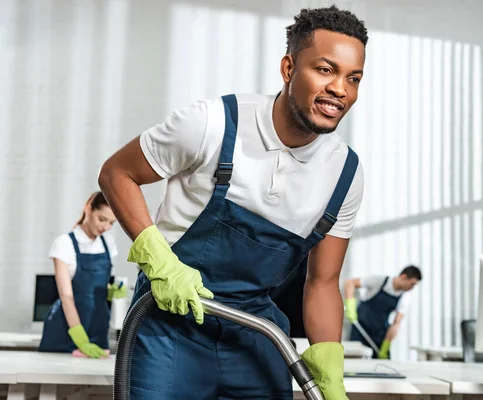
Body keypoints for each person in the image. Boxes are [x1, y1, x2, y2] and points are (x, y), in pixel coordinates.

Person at [97, 5, 367, 399]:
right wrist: (159, 262)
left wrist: (329, 366)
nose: (340, 89)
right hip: (170, 324)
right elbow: (116, 173)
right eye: (325, 70)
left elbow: (323, 281)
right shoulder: (213, 123)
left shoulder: (344, 172)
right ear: (289, 68)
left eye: (353, 77)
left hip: (255, 333)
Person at [38, 191, 126, 358]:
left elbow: (98, 287)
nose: (105, 227)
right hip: (67, 328)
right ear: (88, 209)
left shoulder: (108, 244)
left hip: (98, 327)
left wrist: (111, 291)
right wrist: (80, 338)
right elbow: (66, 296)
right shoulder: (64, 244)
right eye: (102, 219)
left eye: (111, 223)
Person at [344, 265, 422, 359]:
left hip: (379, 334)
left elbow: (396, 323)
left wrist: (386, 345)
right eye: (412, 284)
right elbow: (350, 283)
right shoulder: (378, 281)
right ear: (403, 277)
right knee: (355, 362)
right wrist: (350, 305)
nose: (412, 288)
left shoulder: (405, 297)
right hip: (360, 329)